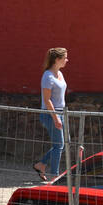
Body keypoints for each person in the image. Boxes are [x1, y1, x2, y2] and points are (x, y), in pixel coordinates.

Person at [34, 47, 68, 180]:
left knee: (63, 144)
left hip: (61, 112)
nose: (67, 60)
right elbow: (47, 100)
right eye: (65, 57)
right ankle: (55, 176)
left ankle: (41, 164)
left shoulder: (60, 74)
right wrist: (55, 118)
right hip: (50, 114)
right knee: (59, 145)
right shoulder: (47, 76)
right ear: (57, 60)